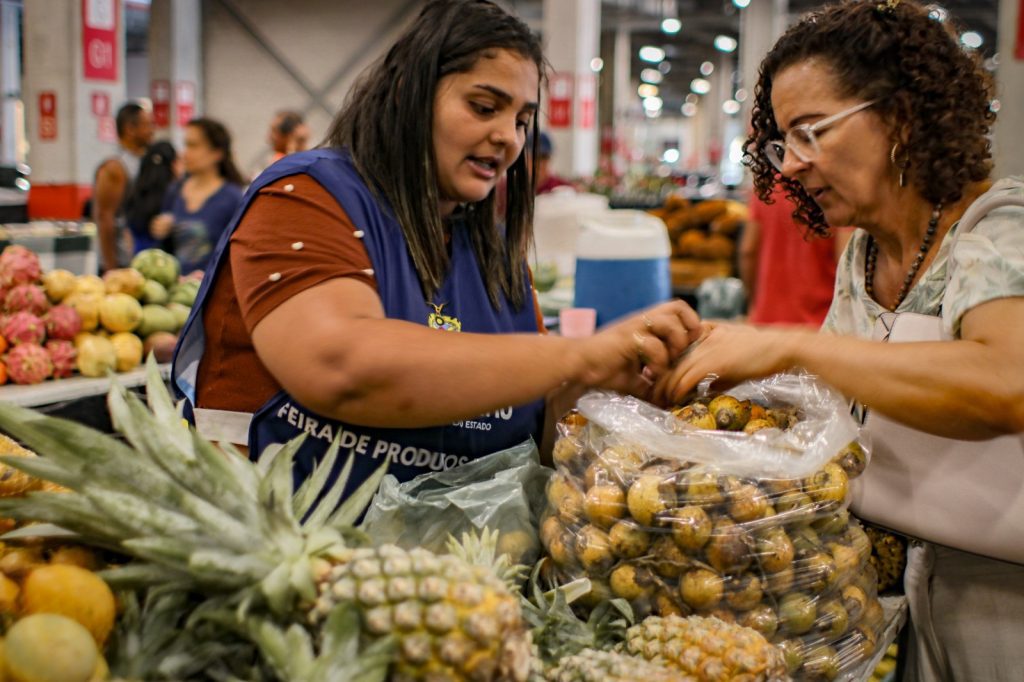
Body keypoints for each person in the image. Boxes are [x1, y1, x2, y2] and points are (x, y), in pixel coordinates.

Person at [172, 0, 701, 508]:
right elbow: (342, 367)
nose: (508, 139)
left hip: (455, 577)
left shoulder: (488, 248)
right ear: (408, 93)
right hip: (299, 561)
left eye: (521, 120)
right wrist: (579, 353)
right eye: (483, 107)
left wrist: (611, 388)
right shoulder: (306, 197)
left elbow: (531, 427)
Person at [655, 2, 1024, 680]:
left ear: (903, 114)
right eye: (780, 143)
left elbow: (1006, 383)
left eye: (810, 133)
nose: (791, 166)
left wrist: (789, 347)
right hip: (903, 594)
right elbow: (843, 407)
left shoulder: (1001, 230)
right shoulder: (863, 257)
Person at [739, 183, 852, 326]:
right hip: (818, 324)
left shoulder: (766, 186)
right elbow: (846, 260)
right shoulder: (833, 191)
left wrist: (753, 302)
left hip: (766, 322)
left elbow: (748, 251)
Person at [151, 119, 245, 274]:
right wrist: (162, 231)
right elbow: (163, 251)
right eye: (185, 145)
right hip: (178, 292)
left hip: (213, 293)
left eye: (193, 146)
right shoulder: (175, 190)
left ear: (217, 153)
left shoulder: (232, 198)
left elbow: (238, 255)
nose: (185, 153)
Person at [92, 102, 155, 271]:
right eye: (147, 125)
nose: (152, 130)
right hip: (120, 262)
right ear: (130, 129)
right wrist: (111, 268)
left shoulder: (145, 161)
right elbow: (105, 217)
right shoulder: (115, 167)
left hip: (142, 259)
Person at [124, 141, 181, 254]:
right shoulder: (175, 195)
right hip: (165, 264)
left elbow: (129, 238)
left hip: (140, 262)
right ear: (173, 164)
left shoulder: (135, 193)